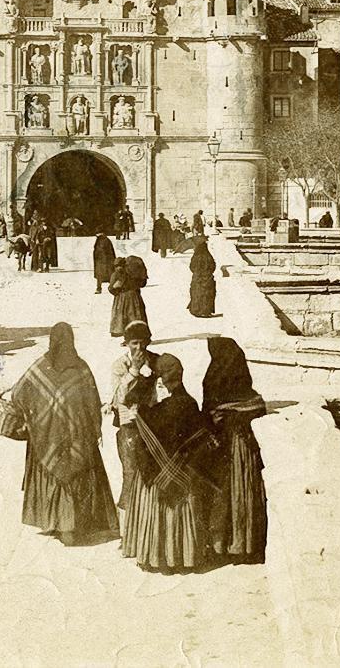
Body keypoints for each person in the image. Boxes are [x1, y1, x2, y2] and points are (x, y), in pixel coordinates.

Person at [11, 322, 119, 545]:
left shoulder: (40, 367)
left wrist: (35, 415)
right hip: (77, 436)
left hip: (44, 438)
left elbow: (17, 393)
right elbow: (93, 402)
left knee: (53, 472)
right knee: (77, 473)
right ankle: (73, 525)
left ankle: (54, 521)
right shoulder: (81, 367)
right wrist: (94, 428)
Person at [123, 354, 217, 572]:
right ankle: (184, 557)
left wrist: (146, 378)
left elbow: (131, 400)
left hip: (158, 481)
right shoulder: (190, 403)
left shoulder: (158, 410)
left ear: (162, 378)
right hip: (184, 477)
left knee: (160, 517)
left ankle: (158, 557)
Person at [202, 338, 268, 562]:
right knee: (245, 494)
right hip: (245, 450)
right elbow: (258, 407)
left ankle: (224, 546)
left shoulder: (212, 380)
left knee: (226, 495)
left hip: (225, 451)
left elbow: (207, 415)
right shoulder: (245, 388)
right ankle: (247, 544)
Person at [109, 321, 163, 517]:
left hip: (154, 425)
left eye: (142, 343)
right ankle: (127, 524)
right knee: (131, 474)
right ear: (127, 344)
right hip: (129, 427)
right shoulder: (120, 366)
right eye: (134, 343)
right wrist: (134, 370)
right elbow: (118, 398)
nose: (138, 348)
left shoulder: (156, 361)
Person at [108, 258, 147, 337]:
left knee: (124, 318)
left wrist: (116, 290)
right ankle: (139, 336)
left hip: (122, 298)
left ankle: (128, 338)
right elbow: (142, 284)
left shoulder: (116, 274)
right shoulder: (133, 273)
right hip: (135, 297)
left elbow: (111, 289)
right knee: (136, 316)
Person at [188, 236, 217, 318]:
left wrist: (196, 272)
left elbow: (191, 267)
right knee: (207, 295)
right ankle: (206, 311)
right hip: (208, 278)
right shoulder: (208, 255)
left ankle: (197, 310)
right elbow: (213, 266)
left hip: (197, 278)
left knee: (197, 293)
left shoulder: (196, 256)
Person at [92, 230, 117, 295]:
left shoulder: (106, 240)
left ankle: (112, 288)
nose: (96, 235)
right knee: (100, 276)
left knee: (109, 275)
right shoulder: (99, 240)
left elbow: (110, 252)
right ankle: (99, 288)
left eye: (97, 233)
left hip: (106, 262)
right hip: (99, 262)